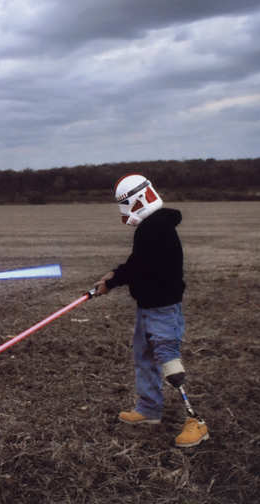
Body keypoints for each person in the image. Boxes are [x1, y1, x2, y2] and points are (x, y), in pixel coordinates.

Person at [93, 174, 209, 448]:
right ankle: (149, 409)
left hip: (162, 309)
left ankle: (197, 422)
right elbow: (138, 262)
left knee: (167, 360)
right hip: (148, 307)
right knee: (143, 357)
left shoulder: (154, 228)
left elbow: (140, 267)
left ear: (137, 200)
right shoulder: (153, 227)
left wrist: (112, 282)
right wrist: (115, 275)